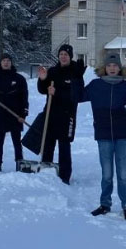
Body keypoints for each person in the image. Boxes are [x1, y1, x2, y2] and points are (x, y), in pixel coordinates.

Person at [82, 53, 126, 221]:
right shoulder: (95, 85)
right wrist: (76, 77)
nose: (112, 68)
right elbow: (77, 96)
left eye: (115, 65)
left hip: (123, 135)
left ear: (120, 68)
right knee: (106, 174)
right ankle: (105, 204)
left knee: (124, 174)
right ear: (104, 68)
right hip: (104, 134)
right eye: (109, 65)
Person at [37, 44, 85, 184]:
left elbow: (76, 95)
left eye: (66, 54)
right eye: (61, 54)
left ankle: (65, 177)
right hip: (51, 114)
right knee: (48, 145)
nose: (63, 57)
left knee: (64, 147)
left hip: (67, 115)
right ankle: (46, 173)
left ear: (70, 56)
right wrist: (43, 79)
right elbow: (42, 90)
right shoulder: (53, 71)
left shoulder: (76, 72)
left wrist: (57, 92)